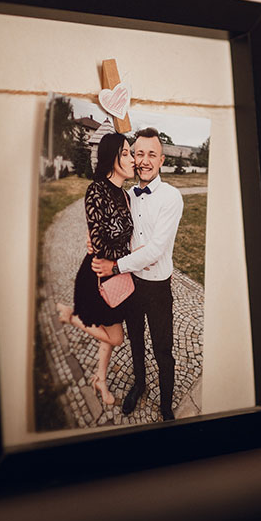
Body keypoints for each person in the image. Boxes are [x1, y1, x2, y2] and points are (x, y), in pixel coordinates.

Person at [92, 128, 183, 421]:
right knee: (135, 340)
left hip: (157, 286)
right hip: (131, 284)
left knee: (163, 347)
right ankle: (139, 384)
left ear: (162, 160)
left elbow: (155, 249)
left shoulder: (171, 197)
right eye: (138, 153)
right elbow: (114, 231)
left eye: (151, 155)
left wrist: (116, 265)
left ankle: (166, 405)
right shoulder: (127, 195)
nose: (144, 161)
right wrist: (92, 240)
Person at [57, 132, 135, 407]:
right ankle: (71, 317)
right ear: (112, 158)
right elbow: (99, 243)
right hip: (97, 275)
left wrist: (126, 260)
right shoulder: (96, 190)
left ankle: (100, 379)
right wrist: (127, 259)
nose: (132, 159)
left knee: (108, 332)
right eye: (125, 153)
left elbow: (125, 237)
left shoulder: (125, 196)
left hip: (116, 275)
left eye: (131, 153)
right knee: (116, 337)